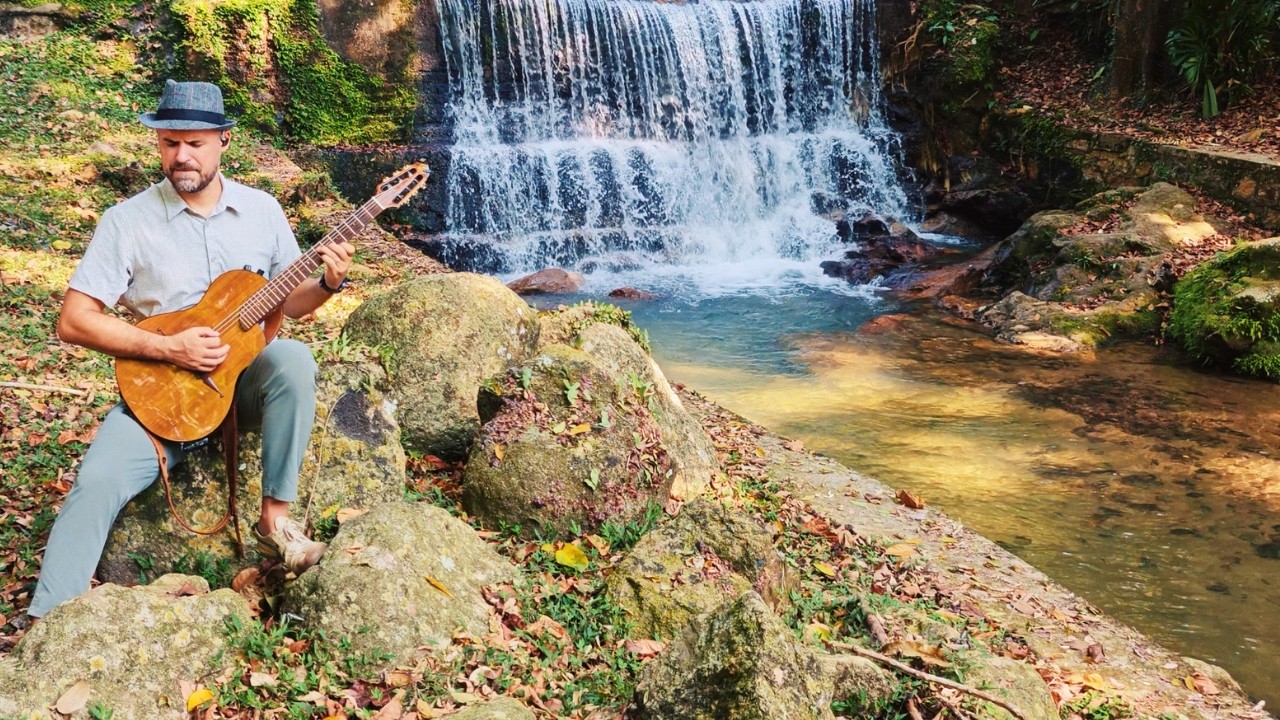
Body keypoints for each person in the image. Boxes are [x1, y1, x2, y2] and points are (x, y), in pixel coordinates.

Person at [26, 79, 353, 620]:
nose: (181, 156)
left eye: (195, 143)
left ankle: (276, 523)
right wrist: (168, 348)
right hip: (165, 398)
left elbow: (291, 304)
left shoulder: (262, 210)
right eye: (170, 142)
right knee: (97, 481)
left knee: (293, 359)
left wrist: (327, 284)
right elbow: (74, 321)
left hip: (239, 387)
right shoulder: (126, 222)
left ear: (224, 140)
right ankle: (48, 620)